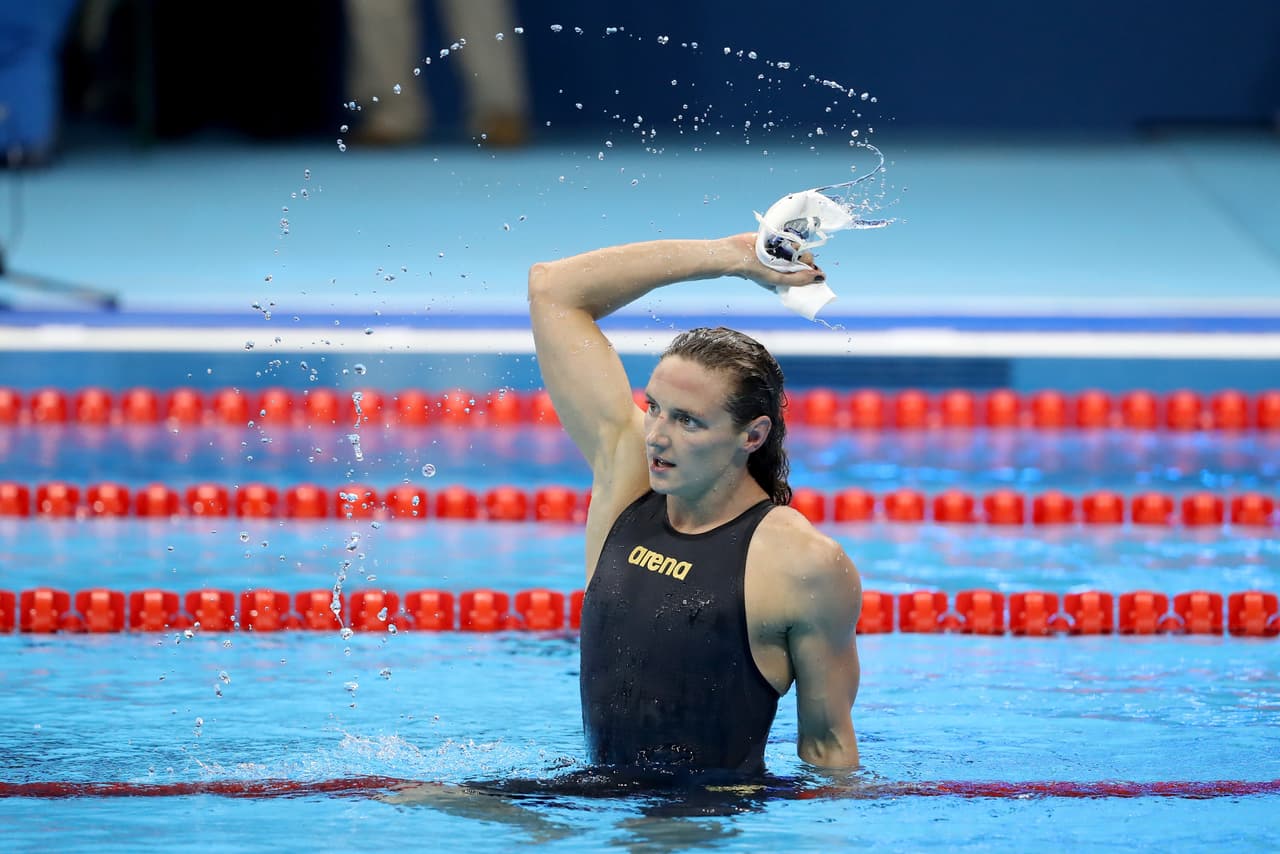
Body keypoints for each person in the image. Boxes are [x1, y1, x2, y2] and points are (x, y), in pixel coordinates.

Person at [528, 233, 863, 774]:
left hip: (707, 819)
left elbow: (827, 750)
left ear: (752, 436)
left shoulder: (803, 563)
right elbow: (553, 288)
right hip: (601, 805)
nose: (656, 436)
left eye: (687, 421)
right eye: (654, 408)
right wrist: (732, 257)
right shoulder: (627, 479)